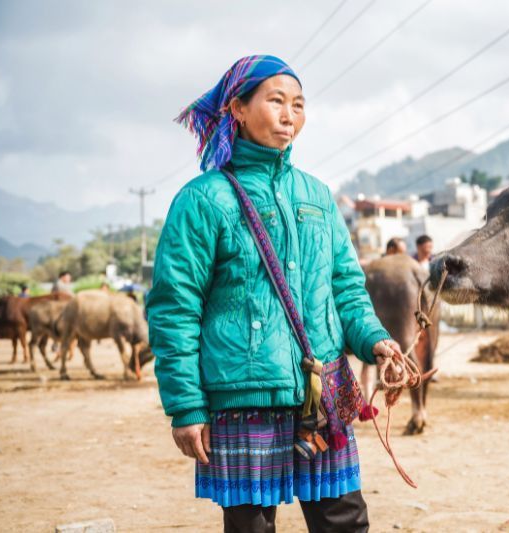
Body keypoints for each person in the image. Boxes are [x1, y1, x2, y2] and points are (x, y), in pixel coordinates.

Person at [146, 55, 404, 533]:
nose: (291, 114)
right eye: (277, 101)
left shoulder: (317, 196)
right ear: (238, 109)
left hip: (320, 394)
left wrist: (375, 339)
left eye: (300, 104)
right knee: (251, 528)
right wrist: (186, 407)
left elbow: (345, 288)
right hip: (242, 400)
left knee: (344, 521)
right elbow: (174, 309)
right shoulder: (203, 200)